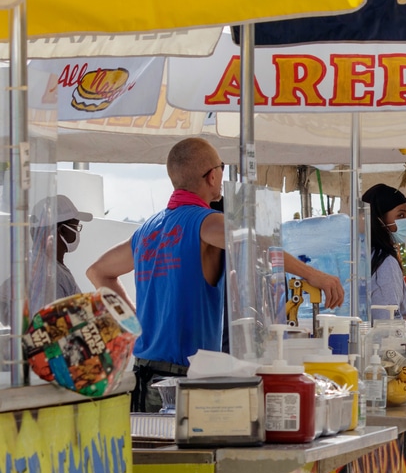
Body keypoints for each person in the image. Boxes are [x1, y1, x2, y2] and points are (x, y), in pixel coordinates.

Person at [87, 137, 344, 412]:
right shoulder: (205, 222)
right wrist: (313, 275)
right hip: (182, 383)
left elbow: (98, 272)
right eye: (221, 167)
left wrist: (133, 321)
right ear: (212, 176)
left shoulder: (147, 230)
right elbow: (257, 246)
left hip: (141, 379)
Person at [0, 194, 93, 325]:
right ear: (62, 231)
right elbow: (55, 326)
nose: (77, 233)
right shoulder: (51, 273)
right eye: (76, 227)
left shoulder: (29, 263)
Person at [361, 183, 406, 319]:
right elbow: (387, 321)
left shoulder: (364, 255)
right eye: (401, 215)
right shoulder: (385, 263)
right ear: (379, 220)